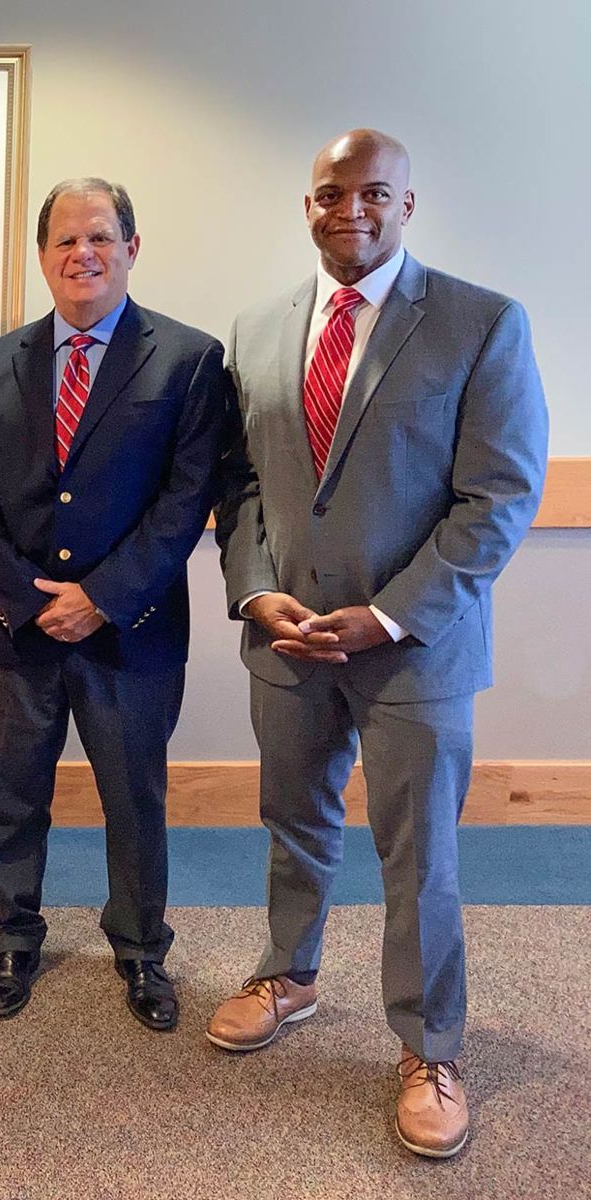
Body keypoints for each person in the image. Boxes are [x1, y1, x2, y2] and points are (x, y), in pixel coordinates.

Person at [209, 129, 548, 1158]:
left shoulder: (479, 322)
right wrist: (257, 593)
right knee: (293, 822)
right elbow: (246, 487)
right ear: (306, 205)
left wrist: (391, 613)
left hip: (415, 647)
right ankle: (289, 972)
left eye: (370, 194)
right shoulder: (260, 328)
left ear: (407, 205)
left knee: (420, 856)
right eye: (328, 193)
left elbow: (498, 498)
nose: (347, 209)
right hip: (289, 641)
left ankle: (431, 1045)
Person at [0, 178, 229, 1029]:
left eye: (100, 238)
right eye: (66, 241)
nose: (83, 254)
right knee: (16, 791)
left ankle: (142, 950)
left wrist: (101, 598)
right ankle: (12, 937)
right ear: (42, 257)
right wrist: (29, 600)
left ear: (131, 248)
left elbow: (187, 500)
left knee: (133, 797)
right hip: (22, 626)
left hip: (131, 630)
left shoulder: (187, 359)